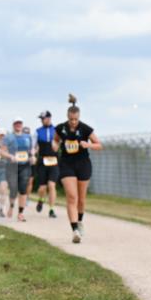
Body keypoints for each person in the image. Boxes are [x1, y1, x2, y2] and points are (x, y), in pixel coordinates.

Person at [53, 94, 101, 243]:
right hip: (67, 164)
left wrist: (89, 145)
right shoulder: (61, 128)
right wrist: (55, 147)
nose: (73, 122)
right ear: (67, 117)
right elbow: (55, 141)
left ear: (78, 117)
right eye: (71, 119)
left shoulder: (85, 129)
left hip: (83, 164)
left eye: (76, 119)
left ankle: (79, 221)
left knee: (81, 199)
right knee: (72, 196)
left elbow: (99, 145)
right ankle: (74, 230)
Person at [3, 118, 34, 221]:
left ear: (22, 124)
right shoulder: (9, 137)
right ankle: (11, 207)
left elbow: (31, 150)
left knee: (23, 188)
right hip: (12, 166)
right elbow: (2, 152)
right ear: (13, 125)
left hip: (24, 165)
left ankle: (20, 213)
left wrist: (32, 156)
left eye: (20, 123)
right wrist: (10, 156)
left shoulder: (27, 137)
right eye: (16, 123)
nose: (18, 125)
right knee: (13, 189)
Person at [34, 110, 59, 218]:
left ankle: (51, 209)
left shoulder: (56, 130)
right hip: (42, 162)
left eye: (43, 118)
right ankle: (40, 200)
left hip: (54, 161)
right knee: (42, 188)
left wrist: (56, 145)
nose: (42, 120)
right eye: (41, 119)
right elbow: (35, 147)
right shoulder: (37, 131)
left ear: (49, 118)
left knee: (52, 185)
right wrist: (33, 154)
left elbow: (59, 144)